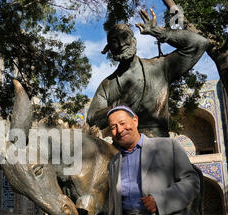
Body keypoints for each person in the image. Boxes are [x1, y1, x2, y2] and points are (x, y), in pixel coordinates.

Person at [86, 8, 209, 138]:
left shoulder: (159, 67)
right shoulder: (107, 85)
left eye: (124, 37)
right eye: (114, 42)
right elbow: (92, 118)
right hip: (123, 149)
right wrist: (117, 107)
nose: (121, 44)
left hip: (158, 147)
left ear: (134, 40)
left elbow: (199, 43)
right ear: (109, 49)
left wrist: (159, 32)